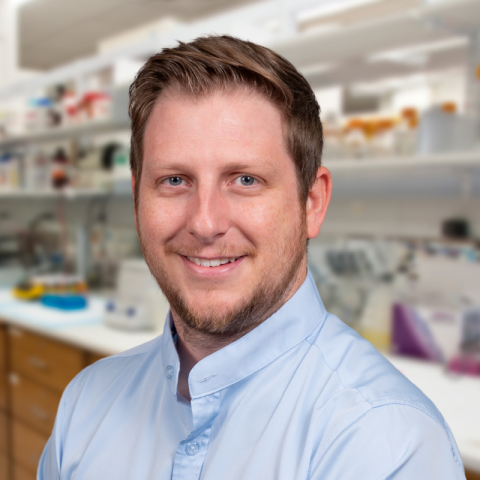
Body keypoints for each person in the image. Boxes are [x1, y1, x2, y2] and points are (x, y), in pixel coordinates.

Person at [38, 35, 465, 480]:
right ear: (135, 199)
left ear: (312, 202)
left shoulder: (386, 445)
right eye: (174, 180)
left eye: (245, 179)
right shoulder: (86, 405)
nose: (205, 223)